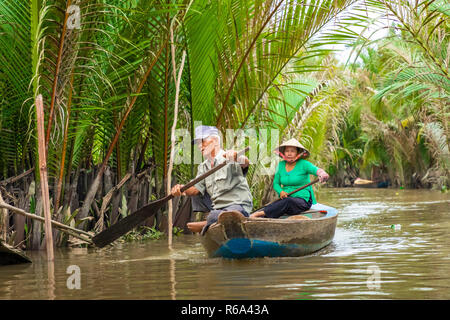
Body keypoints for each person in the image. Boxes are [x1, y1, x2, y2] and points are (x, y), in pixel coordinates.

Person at [171, 125, 253, 234]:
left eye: (203, 141)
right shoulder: (203, 167)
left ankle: (208, 223)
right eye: (198, 144)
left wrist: (236, 157)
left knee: (226, 215)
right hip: (218, 208)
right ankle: (212, 221)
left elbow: (245, 162)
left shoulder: (228, 156)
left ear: (214, 141)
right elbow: (195, 189)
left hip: (238, 206)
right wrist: (181, 189)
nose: (200, 146)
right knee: (216, 214)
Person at [250, 138, 329, 219]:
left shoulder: (304, 164)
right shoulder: (280, 165)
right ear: (283, 152)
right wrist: (281, 192)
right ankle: (262, 215)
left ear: (297, 153)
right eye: (287, 151)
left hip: (302, 200)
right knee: (277, 204)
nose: (289, 153)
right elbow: (276, 183)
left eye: (292, 151)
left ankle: (258, 214)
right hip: (286, 198)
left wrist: (322, 174)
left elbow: (316, 170)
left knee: (288, 202)